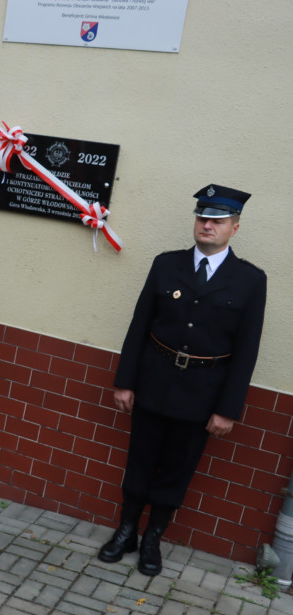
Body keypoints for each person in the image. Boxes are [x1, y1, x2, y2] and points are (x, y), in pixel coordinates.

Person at [100, 184, 267, 577]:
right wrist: (125, 381)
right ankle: (126, 530)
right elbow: (139, 325)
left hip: (201, 394)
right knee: (140, 461)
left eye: (217, 220)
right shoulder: (166, 264)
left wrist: (227, 409)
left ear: (235, 228)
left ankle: (153, 537)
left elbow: (247, 350)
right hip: (154, 382)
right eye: (202, 218)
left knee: (178, 468)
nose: (207, 225)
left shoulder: (249, 280)